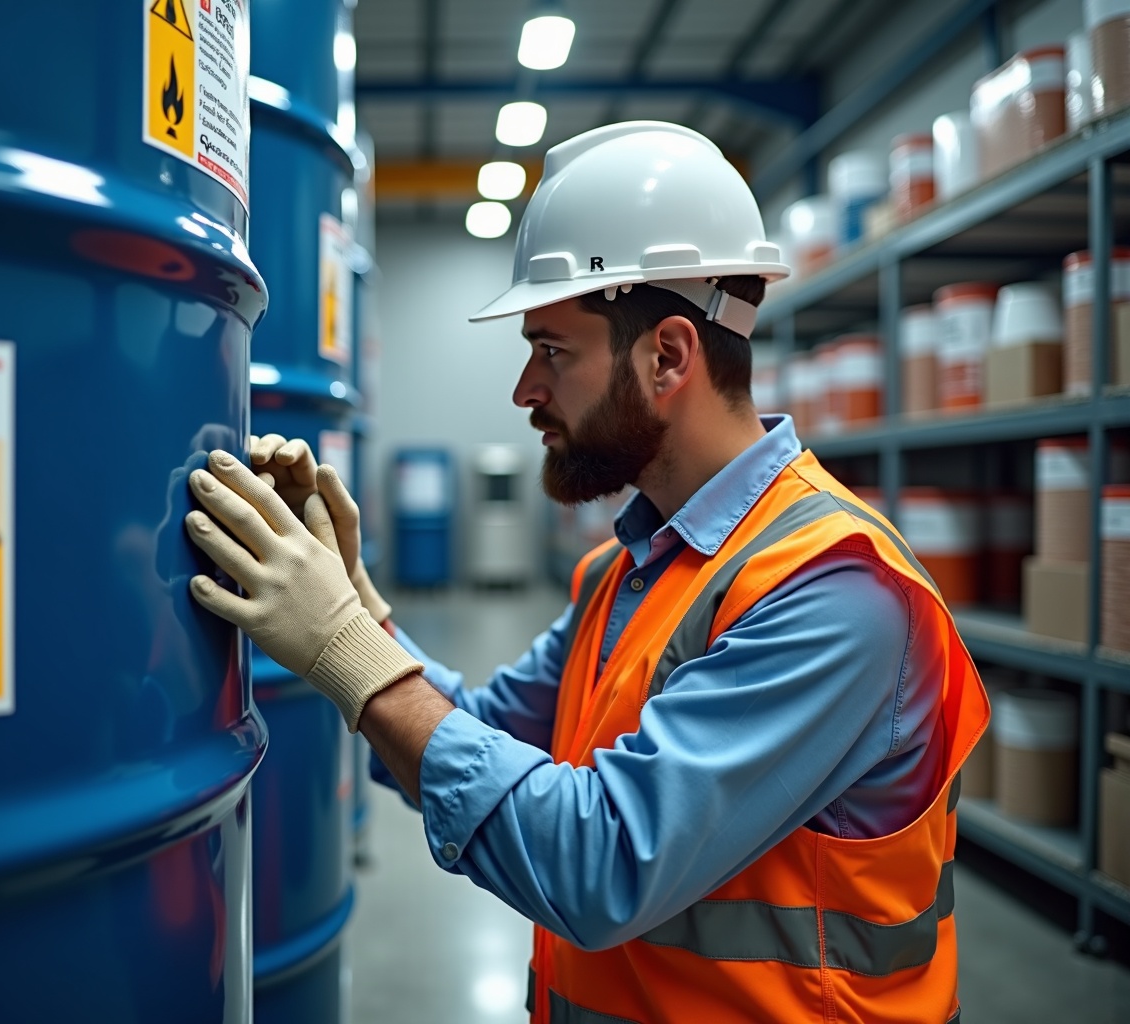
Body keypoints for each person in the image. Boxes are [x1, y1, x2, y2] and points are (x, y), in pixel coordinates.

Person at [181, 122, 989, 1024]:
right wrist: (352, 604)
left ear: (669, 356)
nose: (526, 389)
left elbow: (603, 864)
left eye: (553, 350)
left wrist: (342, 648)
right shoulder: (630, 572)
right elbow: (471, 734)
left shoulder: (837, 593)